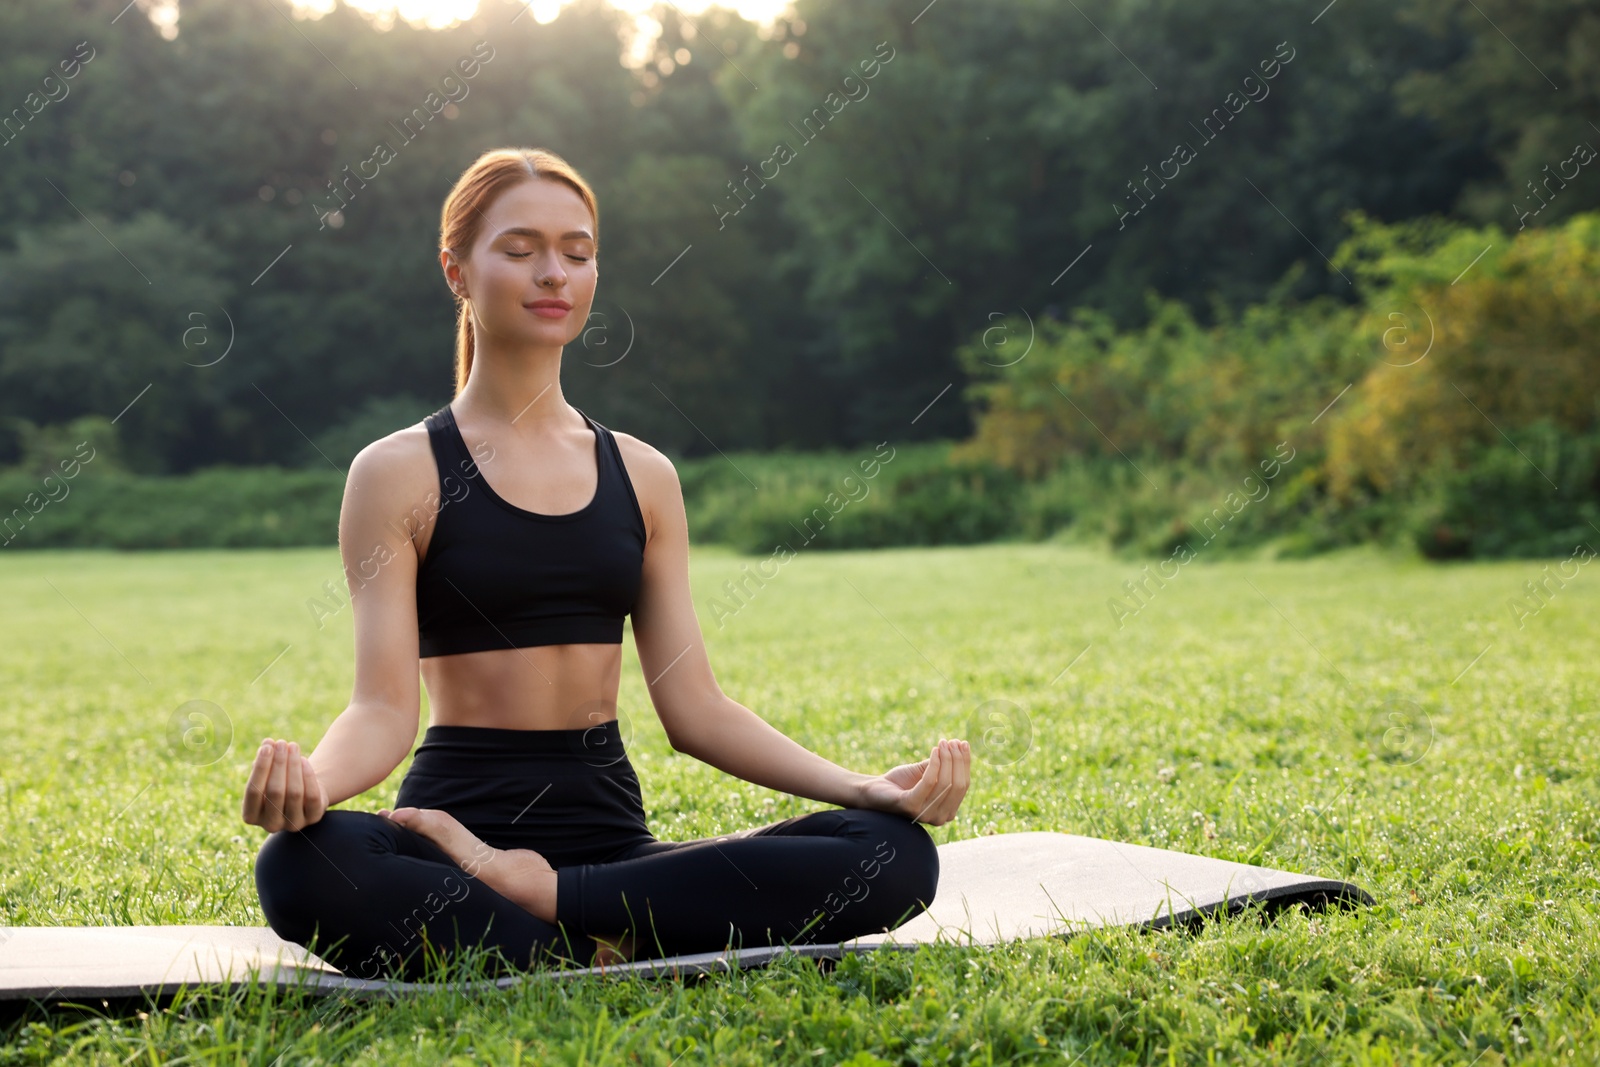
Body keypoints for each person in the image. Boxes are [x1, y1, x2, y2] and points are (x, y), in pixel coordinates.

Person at [245, 147, 972, 981]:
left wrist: (864, 789)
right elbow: (380, 708)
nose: (553, 273)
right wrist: (309, 786)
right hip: (452, 833)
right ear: (457, 271)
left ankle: (551, 906)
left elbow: (697, 709)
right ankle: (606, 934)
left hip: (609, 840)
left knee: (892, 853)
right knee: (301, 863)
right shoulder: (397, 472)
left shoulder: (644, 474)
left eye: (577, 253)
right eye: (520, 250)